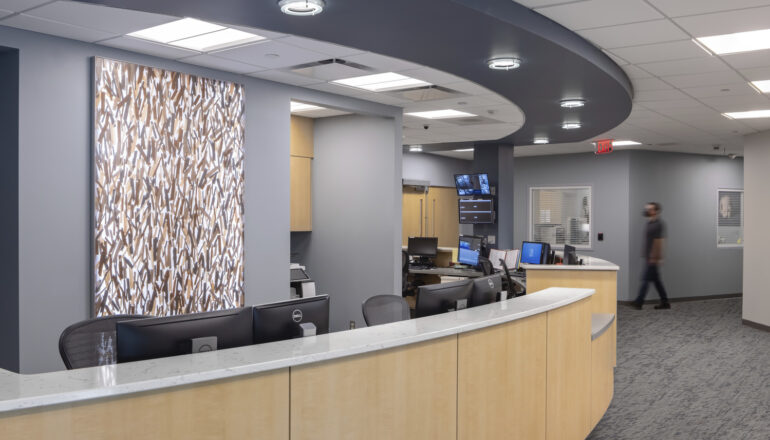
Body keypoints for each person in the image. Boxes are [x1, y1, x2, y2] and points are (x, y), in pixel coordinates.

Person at [632, 202, 671, 310]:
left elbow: (659, 241)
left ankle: (639, 302)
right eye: (647, 209)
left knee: (645, 279)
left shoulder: (659, 224)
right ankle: (665, 302)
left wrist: (656, 257)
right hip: (648, 256)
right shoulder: (649, 223)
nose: (647, 211)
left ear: (656, 211)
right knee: (656, 280)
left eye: (649, 209)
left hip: (653, 257)